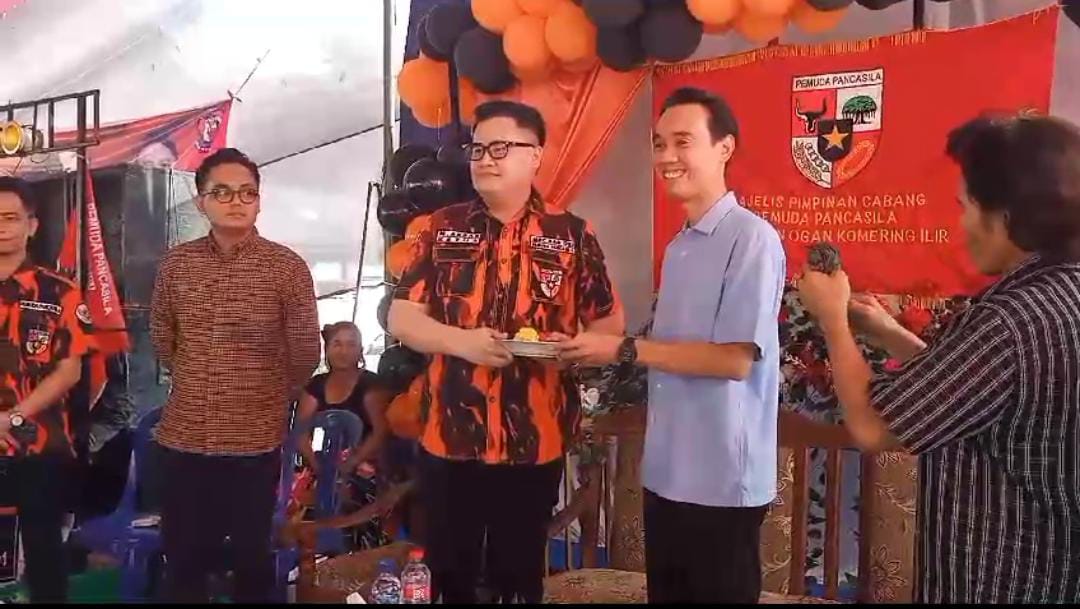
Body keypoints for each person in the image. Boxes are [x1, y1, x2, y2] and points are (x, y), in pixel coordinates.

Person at [797, 112, 1080, 603]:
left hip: (1001, 580)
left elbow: (873, 427)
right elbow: (978, 390)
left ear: (1005, 216)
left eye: (965, 206)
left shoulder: (1007, 321)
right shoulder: (1061, 294)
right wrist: (887, 333)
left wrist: (833, 321)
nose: (962, 224)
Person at [389, 100, 623, 604]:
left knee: (518, 577)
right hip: (450, 438)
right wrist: (462, 343)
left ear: (535, 155)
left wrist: (574, 349)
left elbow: (608, 328)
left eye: (500, 148)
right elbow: (401, 318)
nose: (484, 159)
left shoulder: (571, 235)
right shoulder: (441, 226)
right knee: (450, 576)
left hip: (533, 441)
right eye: (477, 149)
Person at [558, 87, 786, 604]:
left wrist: (623, 349)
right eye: (659, 143)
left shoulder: (752, 238)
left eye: (682, 142)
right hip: (667, 473)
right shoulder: (680, 245)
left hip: (721, 480)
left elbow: (734, 360)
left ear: (725, 147)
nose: (666, 157)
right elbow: (669, 352)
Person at [150, 147, 320, 602]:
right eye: (222, 192)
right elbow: (162, 337)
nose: (236, 202)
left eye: (247, 192)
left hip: (253, 441)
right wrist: (197, 375)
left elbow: (306, 351)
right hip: (184, 438)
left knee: (250, 559)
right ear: (201, 201)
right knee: (183, 558)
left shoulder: (285, 267)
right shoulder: (177, 264)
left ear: (259, 201)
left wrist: (266, 393)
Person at [0, 176, 92, 602]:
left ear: (32, 225)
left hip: (39, 443)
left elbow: (69, 371)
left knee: (45, 558)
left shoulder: (61, 292)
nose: (2, 227)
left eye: (11, 218)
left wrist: (12, 417)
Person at [296, 321, 391, 550]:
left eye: (351, 344)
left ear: (360, 350)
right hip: (321, 466)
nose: (343, 350)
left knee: (349, 500)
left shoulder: (371, 384)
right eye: (337, 344)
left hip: (364, 468)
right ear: (327, 349)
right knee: (300, 504)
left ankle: (356, 556)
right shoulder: (316, 385)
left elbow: (380, 432)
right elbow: (300, 432)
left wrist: (350, 464)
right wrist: (319, 466)